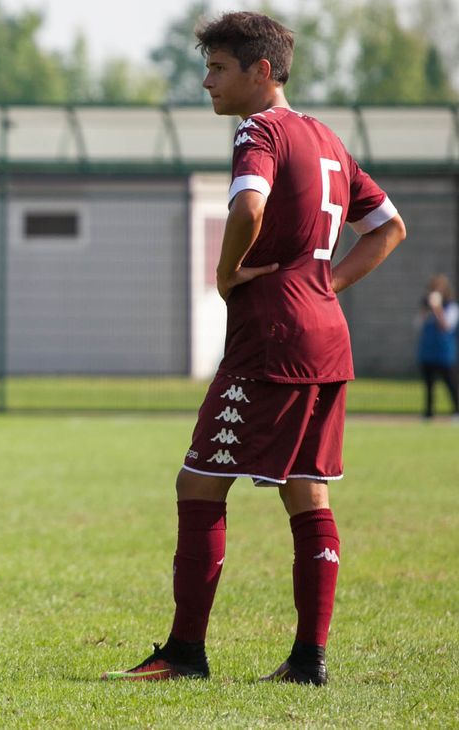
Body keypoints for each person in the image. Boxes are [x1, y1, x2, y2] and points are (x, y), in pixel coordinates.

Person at [101, 11, 406, 685]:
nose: (207, 82)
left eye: (218, 68)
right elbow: (389, 227)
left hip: (271, 340)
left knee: (199, 482)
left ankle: (185, 654)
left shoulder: (259, 130)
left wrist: (225, 273)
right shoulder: (328, 140)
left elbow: (248, 207)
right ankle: (308, 661)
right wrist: (326, 284)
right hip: (326, 337)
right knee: (307, 492)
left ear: (261, 71)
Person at [416, 274, 459, 419]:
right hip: (427, 352)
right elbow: (418, 325)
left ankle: (456, 410)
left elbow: (446, 327)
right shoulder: (426, 308)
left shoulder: (451, 307)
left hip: (444, 353)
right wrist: (426, 310)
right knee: (429, 385)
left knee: (451, 383)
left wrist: (438, 309)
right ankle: (429, 413)